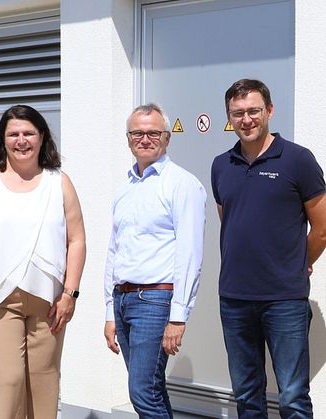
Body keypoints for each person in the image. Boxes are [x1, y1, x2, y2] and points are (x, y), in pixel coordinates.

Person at [0, 104, 86, 419]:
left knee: (44, 380)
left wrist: (70, 293)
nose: (21, 140)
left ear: (42, 137)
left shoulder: (59, 181)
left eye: (28, 133)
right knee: (8, 379)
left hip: (50, 302)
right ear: (3, 139)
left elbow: (77, 239)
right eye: (13, 134)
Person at [211, 79, 326, 418]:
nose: (246, 120)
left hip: (283, 299)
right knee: (246, 394)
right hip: (234, 297)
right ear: (230, 117)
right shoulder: (221, 164)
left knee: (291, 396)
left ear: (269, 111)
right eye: (238, 114)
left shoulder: (298, 160)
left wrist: (299, 262)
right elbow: (229, 220)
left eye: (253, 111)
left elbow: (322, 228)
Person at [103, 103, 206, 418]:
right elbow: (114, 250)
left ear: (167, 138)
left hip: (156, 299)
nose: (144, 139)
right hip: (123, 298)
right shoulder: (126, 188)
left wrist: (179, 316)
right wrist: (109, 309)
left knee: (142, 391)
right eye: (137, 133)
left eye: (153, 133)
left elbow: (190, 253)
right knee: (151, 388)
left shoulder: (182, 184)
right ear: (128, 138)